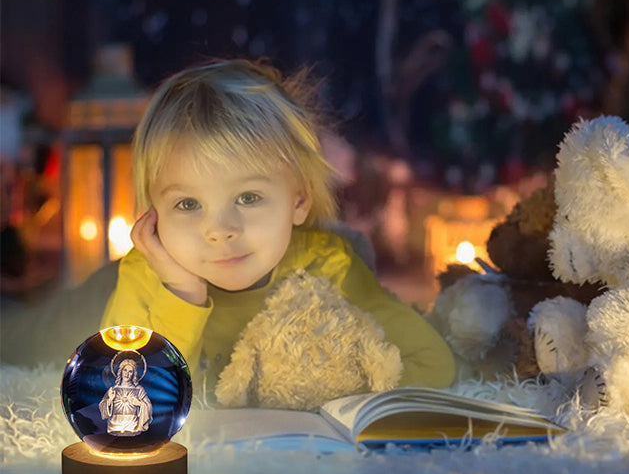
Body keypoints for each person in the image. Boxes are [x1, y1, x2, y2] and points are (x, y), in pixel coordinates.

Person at [100, 59, 456, 402]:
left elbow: (433, 362)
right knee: (52, 322)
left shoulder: (328, 265)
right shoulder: (145, 275)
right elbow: (126, 403)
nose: (220, 231)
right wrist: (181, 296)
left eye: (248, 197)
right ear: (154, 214)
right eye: (188, 204)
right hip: (96, 291)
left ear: (298, 201)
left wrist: (335, 385)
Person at [99, 356, 153, 435]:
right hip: (114, 427)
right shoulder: (113, 389)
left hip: (133, 426)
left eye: (130, 371)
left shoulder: (139, 389)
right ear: (120, 371)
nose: (127, 374)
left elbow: (148, 406)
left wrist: (139, 403)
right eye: (125, 370)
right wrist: (110, 400)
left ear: (134, 374)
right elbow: (102, 406)